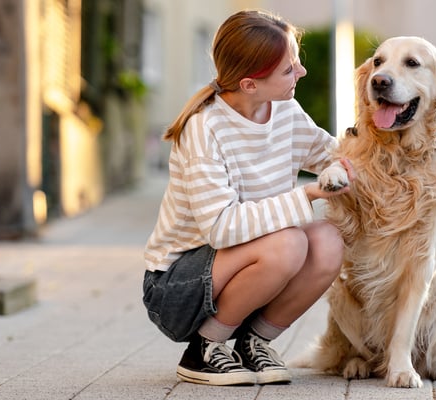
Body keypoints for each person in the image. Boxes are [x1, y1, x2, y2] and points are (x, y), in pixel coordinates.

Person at [142, 9, 354, 387]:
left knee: (328, 240)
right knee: (289, 242)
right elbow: (221, 229)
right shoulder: (205, 128)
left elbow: (338, 156)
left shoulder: (285, 111)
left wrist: (414, 147)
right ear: (250, 84)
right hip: (175, 289)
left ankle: (252, 343)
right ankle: (204, 349)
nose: (301, 73)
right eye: (289, 70)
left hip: (237, 271)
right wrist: (305, 194)